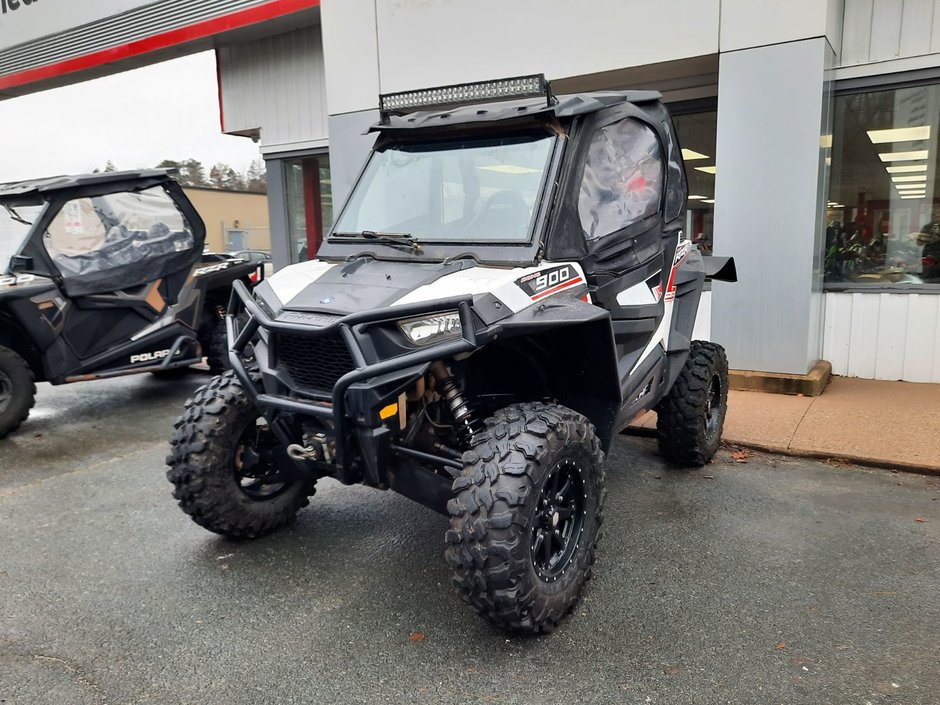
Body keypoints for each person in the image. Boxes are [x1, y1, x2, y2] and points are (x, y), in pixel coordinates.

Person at [918, 204, 940, 281]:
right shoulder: (926, 227)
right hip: (928, 259)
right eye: (935, 215)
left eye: (939, 215)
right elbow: (920, 243)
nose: (937, 217)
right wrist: (929, 240)